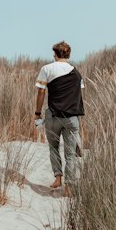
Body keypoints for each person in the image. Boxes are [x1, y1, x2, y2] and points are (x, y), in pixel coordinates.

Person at [33, 41, 84, 191]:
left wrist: (37, 113)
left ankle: (58, 178)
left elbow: (41, 91)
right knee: (70, 153)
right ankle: (69, 186)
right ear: (68, 54)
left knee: (53, 147)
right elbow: (79, 94)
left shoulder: (47, 69)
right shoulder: (76, 72)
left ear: (55, 54)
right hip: (72, 117)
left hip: (53, 115)